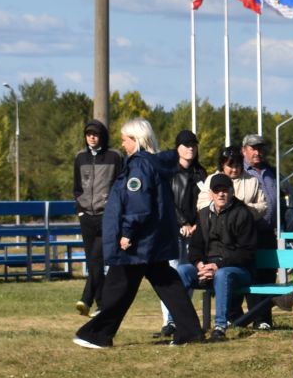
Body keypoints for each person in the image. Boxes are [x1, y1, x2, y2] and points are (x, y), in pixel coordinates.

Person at [72, 120, 204, 349]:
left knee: (118, 286)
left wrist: (127, 233)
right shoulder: (150, 164)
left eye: (125, 139)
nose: (122, 144)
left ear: (137, 140)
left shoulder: (139, 167)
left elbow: (138, 204)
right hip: (151, 239)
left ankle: (98, 334)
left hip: (138, 240)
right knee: (167, 283)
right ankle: (190, 330)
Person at [190, 172, 265, 342]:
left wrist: (218, 266)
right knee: (182, 271)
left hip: (239, 270)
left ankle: (220, 327)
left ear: (232, 192)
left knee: (223, 275)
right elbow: (195, 247)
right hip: (208, 268)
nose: (221, 194)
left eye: (225, 190)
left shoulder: (242, 214)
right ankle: (179, 324)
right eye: (217, 191)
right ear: (211, 194)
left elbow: (246, 252)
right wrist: (200, 264)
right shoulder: (203, 214)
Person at [72, 118, 124, 316]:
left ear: (102, 135)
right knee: (93, 262)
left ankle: (86, 298)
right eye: (88, 134)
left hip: (107, 216)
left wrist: (114, 209)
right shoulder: (79, 158)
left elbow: (120, 185)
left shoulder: (114, 156)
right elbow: (76, 187)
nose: (92, 137)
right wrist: (80, 209)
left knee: (96, 258)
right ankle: (102, 304)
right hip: (86, 216)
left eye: (95, 134)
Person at [159, 131, 208, 338]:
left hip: (195, 232)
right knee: (170, 274)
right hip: (171, 229)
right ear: (177, 147)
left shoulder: (201, 173)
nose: (190, 148)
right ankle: (168, 321)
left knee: (186, 274)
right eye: (186, 144)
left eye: (193, 145)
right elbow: (166, 199)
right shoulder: (168, 171)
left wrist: (196, 224)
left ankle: (181, 318)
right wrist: (181, 222)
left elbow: (206, 201)